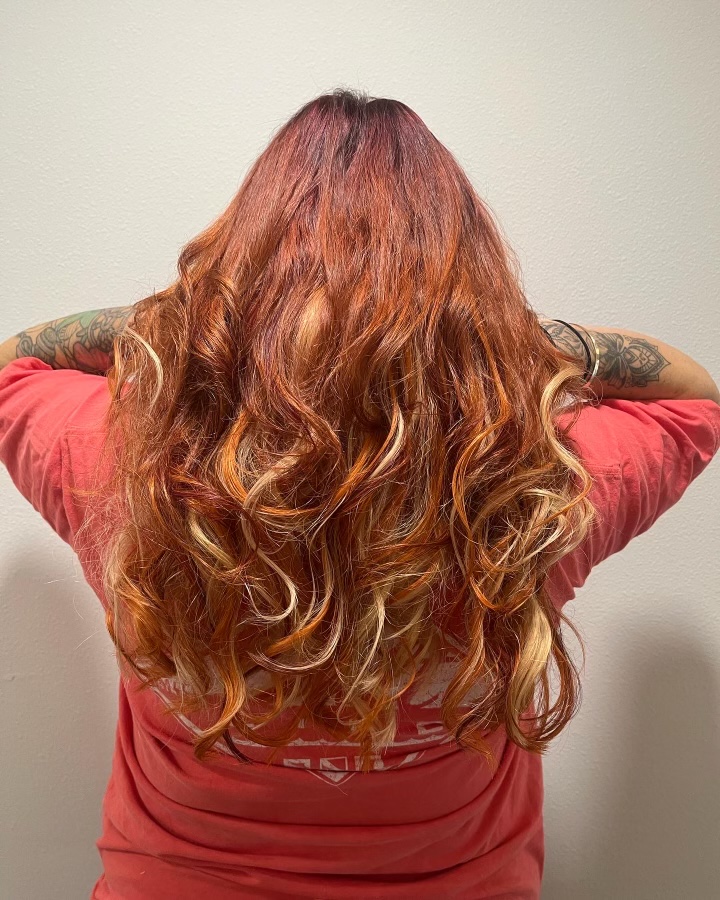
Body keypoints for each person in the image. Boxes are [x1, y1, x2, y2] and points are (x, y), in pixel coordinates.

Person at [0, 89, 718, 900]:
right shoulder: (540, 482)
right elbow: (693, 395)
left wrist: (196, 323)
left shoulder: (117, 458)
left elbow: (13, 364)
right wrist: (487, 337)